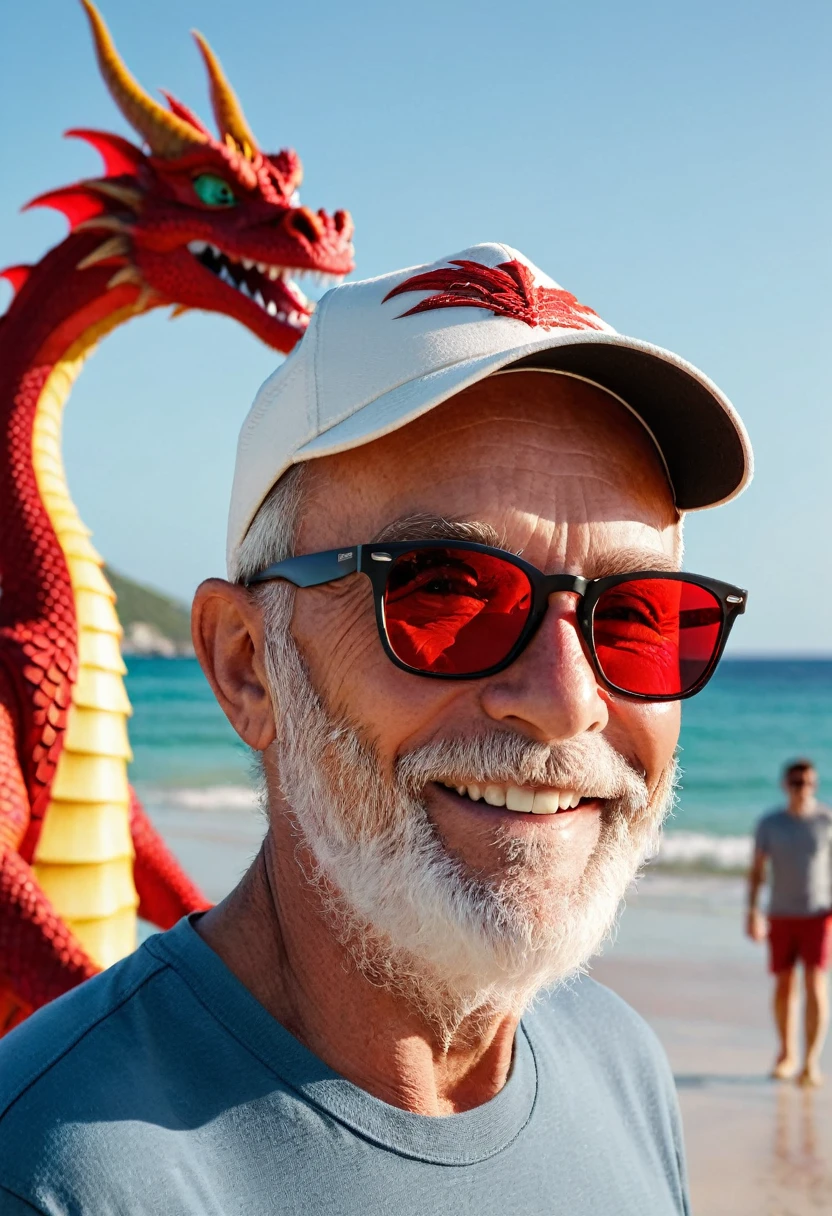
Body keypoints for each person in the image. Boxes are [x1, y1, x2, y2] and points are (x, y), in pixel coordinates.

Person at [0, 243, 752, 1214]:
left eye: (639, 614)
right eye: (446, 592)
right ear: (246, 663)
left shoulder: (621, 1068)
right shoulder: (54, 1173)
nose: (568, 699)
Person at [747, 759, 832, 1087]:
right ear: (785, 785)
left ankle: (810, 1061)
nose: (802, 789)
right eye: (796, 782)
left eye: (808, 783)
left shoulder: (826, 821)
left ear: (815, 785)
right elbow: (757, 872)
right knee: (784, 986)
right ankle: (786, 1054)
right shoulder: (770, 824)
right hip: (780, 914)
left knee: (815, 984)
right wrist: (753, 912)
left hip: (818, 914)